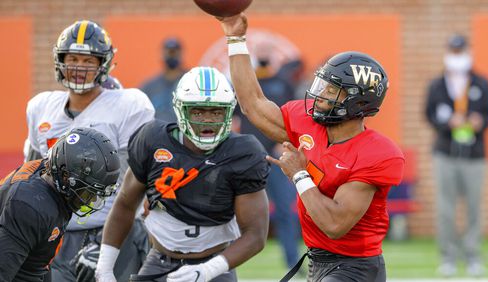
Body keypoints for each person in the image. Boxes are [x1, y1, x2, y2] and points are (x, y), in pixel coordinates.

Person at [218, 15, 405, 281]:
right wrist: (235, 39)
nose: (319, 94)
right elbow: (253, 105)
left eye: (331, 90)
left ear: (356, 102)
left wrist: (299, 175)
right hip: (318, 261)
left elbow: (334, 224)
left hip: (356, 268)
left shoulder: (377, 153)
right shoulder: (307, 123)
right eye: (322, 85)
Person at [95, 66, 270, 282]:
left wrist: (207, 271)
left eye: (216, 111)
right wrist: (104, 267)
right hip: (159, 261)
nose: (207, 119)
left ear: (228, 112)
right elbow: (125, 204)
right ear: (180, 110)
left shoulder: (242, 153)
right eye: (197, 111)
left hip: (214, 265)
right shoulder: (153, 140)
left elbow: (256, 234)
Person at [25, 20, 155, 281]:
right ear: (60, 60)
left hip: (117, 229)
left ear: (102, 64)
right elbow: (31, 177)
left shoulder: (128, 105)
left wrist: (110, 242)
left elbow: (143, 175)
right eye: (72, 58)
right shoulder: (41, 108)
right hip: (59, 233)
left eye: (88, 60)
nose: (79, 67)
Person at [0, 128, 120, 281]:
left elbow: (39, 263)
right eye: (88, 192)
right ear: (65, 176)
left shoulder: (52, 180)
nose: (90, 201)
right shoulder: (30, 206)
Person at [425, 34, 488, 277]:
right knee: (446, 207)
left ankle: (473, 255)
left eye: (460, 50)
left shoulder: (482, 82)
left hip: (475, 154)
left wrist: (479, 122)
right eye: (453, 51)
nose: (457, 55)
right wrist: (447, 123)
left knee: (474, 207)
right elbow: (429, 115)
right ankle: (448, 256)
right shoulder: (436, 84)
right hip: (445, 153)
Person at [234, 44, 301, 271]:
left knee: (285, 211)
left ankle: (292, 261)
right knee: (236, 211)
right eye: (259, 52)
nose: (263, 57)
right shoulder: (245, 86)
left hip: (276, 161)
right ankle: (229, 260)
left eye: (266, 53)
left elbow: (293, 117)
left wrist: (281, 143)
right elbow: (234, 119)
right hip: (249, 159)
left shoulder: (283, 84)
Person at [140, 37, 187, 123]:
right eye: (169, 52)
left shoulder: (190, 82)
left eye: (174, 52)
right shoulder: (150, 86)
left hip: (184, 133)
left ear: (181, 54)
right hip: (157, 133)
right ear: (162, 54)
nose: (172, 56)